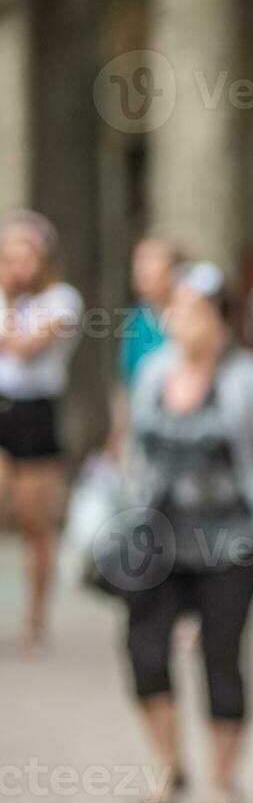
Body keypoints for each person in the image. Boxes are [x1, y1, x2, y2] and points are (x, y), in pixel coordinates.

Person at [122, 263, 253, 803]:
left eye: (193, 312)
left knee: (220, 657)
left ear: (222, 321)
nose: (181, 322)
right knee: (144, 649)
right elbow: (137, 446)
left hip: (233, 544)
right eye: (175, 311)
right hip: (159, 543)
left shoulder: (251, 380)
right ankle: (168, 766)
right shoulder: (155, 372)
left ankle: (222, 782)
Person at [0, 210, 83, 654]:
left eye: (24, 256)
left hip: (35, 412)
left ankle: (35, 616)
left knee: (36, 523)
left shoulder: (62, 300)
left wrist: (12, 305)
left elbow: (26, 347)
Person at [119, 235, 180, 389]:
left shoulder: (188, 317)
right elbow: (126, 376)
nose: (140, 268)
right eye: (138, 259)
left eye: (151, 259)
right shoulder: (137, 317)